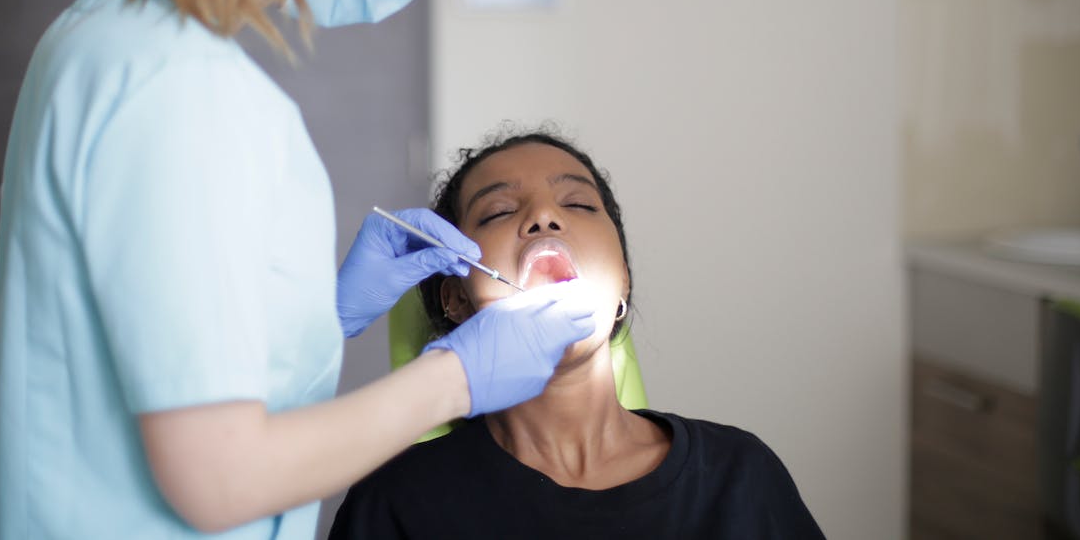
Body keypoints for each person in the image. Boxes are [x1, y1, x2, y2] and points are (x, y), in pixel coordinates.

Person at [0, 0, 597, 538]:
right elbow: (216, 476)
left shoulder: (112, 32)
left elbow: (161, 325)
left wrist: (325, 312)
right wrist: (454, 379)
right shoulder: (180, 91)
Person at [328, 129, 826, 539]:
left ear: (623, 278)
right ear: (456, 299)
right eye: (499, 211)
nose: (544, 218)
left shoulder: (740, 476)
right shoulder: (396, 504)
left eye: (580, 205)